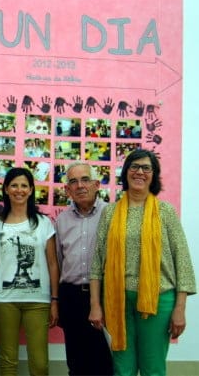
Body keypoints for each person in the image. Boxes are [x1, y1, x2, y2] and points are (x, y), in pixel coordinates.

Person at [89, 149, 196, 376]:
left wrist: (180, 309)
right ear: (126, 172)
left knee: (152, 368)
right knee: (122, 368)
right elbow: (98, 262)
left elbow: (183, 261)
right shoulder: (110, 213)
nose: (140, 172)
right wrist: (95, 305)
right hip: (117, 301)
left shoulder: (165, 212)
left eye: (146, 168)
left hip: (158, 300)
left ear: (153, 175)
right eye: (134, 167)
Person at [0, 167, 59, 376]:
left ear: (31, 190)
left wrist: (55, 299)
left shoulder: (43, 223)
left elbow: (52, 263)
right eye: (14, 185)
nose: (19, 190)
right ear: (5, 189)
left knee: (40, 363)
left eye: (24, 186)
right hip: (4, 299)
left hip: (38, 300)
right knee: (8, 360)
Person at [55, 161, 113, 375]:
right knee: (76, 362)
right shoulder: (61, 220)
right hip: (71, 296)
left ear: (97, 184)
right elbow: (60, 262)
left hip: (105, 294)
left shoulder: (112, 214)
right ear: (67, 189)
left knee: (105, 363)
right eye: (73, 181)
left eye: (85, 179)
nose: (80, 185)